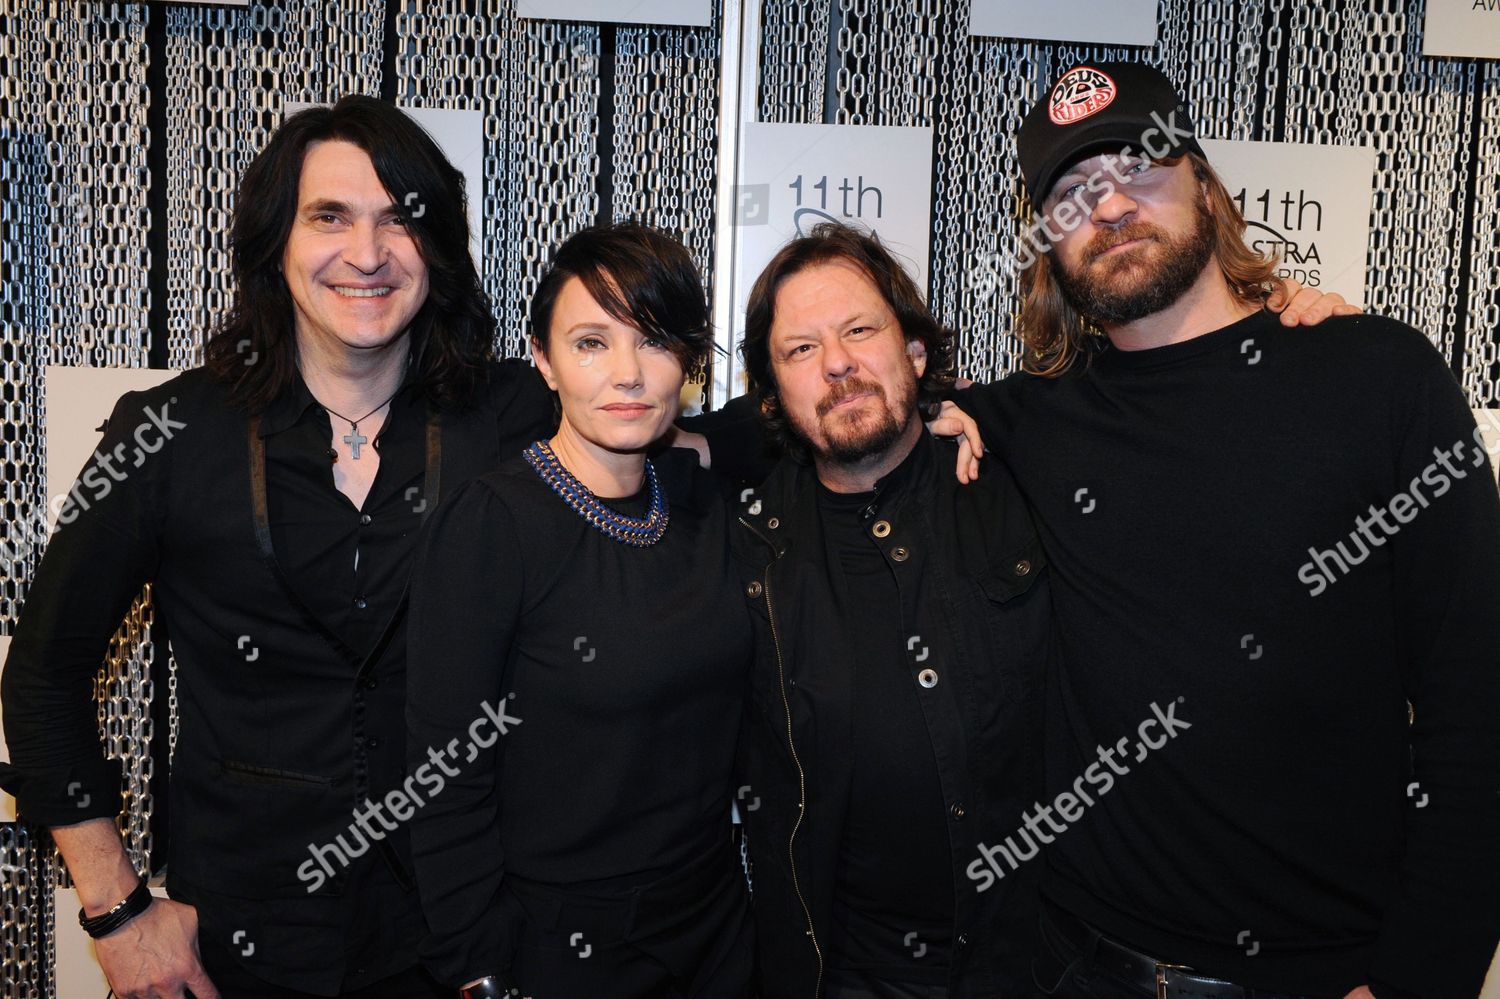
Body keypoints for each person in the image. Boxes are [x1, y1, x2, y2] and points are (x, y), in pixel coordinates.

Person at [947, 62, 1500, 999]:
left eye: (1139, 165)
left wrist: (1419, 978)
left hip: (1320, 973)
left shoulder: (1381, 380)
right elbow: (846, 415)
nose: (1109, 205)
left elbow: (1476, 702)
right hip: (1073, 960)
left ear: (1206, 185)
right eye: (1073, 194)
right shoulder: (1029, 420)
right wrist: (700, 443)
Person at [0, 96, 557, 997]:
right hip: (239, 948)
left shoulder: (518, 416)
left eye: (399, 220)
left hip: (468, 941)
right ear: (276, 242)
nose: (367, 253)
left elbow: (670, 446)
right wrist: (117, 912)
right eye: (329, 217)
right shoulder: (167, 433)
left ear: (438, 248)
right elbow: (40, 676)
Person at [404, 223, 755, 999]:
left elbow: (797, 428)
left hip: (715, 932)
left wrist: (938, 414)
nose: (628, 373)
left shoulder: (701, 504)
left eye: (655, 341)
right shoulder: (492, 523)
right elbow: (443, 777)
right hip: (562, 948)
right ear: (543, 360)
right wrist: (479, 973)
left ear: (688, 361)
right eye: (592, 342)